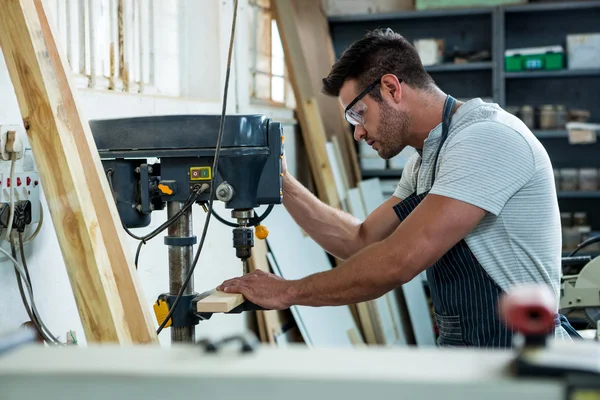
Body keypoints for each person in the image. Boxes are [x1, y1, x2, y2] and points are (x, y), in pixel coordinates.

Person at [217, 28, 577, 347]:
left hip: (519, 358)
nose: (357, 132)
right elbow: (359, 240)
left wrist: (289, 291)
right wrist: (282, 181)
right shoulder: (426, 160)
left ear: (391, 88)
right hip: (466, 353)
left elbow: (397, 261)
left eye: (358, 114)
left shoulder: (486, 139)